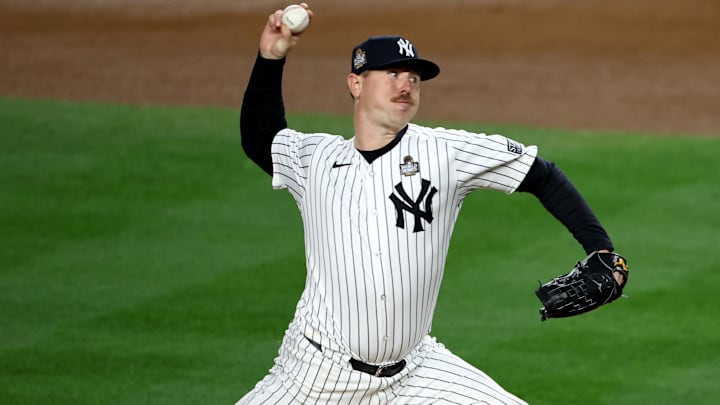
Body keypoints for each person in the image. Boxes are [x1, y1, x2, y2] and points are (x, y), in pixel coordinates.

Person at [238, 4, 625, 404]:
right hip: (314, 375)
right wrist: (272, 56)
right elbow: (260, 137)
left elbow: (541, 174)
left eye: (413, 78)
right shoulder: (316, 160)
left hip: (414, 373)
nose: (405, 86)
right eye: (391, 74)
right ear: (355, 84)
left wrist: (601, 249)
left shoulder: (446, 153)